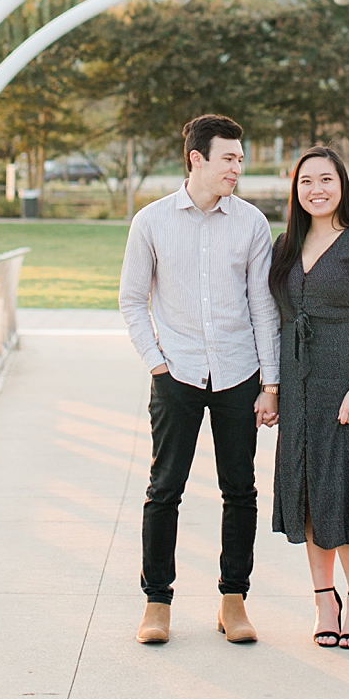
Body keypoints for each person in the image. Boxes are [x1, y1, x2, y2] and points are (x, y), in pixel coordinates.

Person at [120, 114, 280, 647]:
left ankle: (233, 600)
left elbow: (263, 306)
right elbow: (131, 299)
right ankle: (157, 602)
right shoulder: (152, 221)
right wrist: (155, 361)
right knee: (164, 490)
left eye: (240, 157)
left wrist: (270, 383)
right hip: (177, 372)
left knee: (240, 490)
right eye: (229, 157)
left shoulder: (252, 224)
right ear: (197, 159)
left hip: (239, 373)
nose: (238, 166)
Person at [270, 145, 349, 650]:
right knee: (306, 492)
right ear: (295, 191)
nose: (316, 190)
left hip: (348, 385)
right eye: (306, 182)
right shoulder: (283, 246)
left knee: (346, 493)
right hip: (299, 387)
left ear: (341, 185)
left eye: (325, 179)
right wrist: (272, 389)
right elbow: (274, 319)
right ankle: (325, 599)